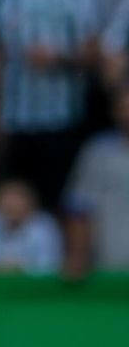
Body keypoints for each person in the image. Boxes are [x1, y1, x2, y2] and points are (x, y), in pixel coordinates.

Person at [0, 0, 99, 209]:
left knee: (62, 201)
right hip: (15, 120)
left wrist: (59, 56)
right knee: (16, 202)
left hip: (62, 119)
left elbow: (93, 52)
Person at [62, 85, 129, 276]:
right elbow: (80, 208)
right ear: (115, 111)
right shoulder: (98, 152)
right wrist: (78, 254)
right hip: (109, 264)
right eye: (124, 107)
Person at [0, 180, 62, 275]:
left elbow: (50, 265)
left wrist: (21, 267)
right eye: (8, 208)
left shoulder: (44, 226)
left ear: (30, 206)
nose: (12, 211)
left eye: (17, 207)